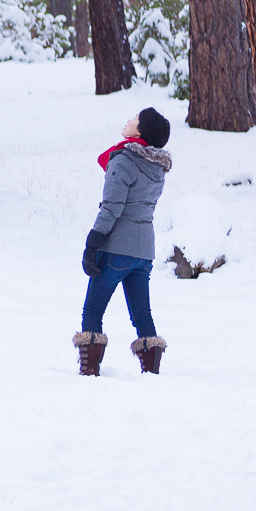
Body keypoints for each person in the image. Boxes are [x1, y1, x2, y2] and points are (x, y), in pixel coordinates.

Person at [74, 107, 172, 376]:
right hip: (143, 253)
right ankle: (152, 374)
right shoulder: (157, 166)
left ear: (139, 131)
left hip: (116, 248)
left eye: (134, 119)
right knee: (142, 316)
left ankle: (89, 373)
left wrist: (93, 243)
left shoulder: (124, 160)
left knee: (93, 310)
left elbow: (112, 208)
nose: (128, 120)